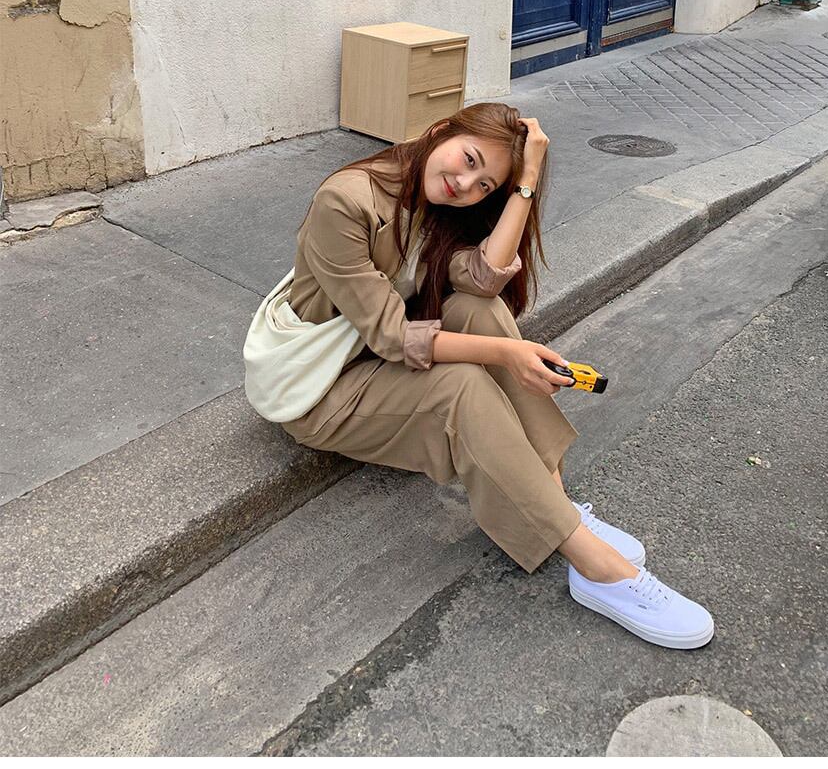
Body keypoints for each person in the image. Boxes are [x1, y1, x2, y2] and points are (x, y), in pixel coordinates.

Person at [245, 102, 713, 649]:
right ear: (443, 130)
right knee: (461, 386)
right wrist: (508, 354)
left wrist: (526, 181)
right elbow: (392, 335)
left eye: (483, 184)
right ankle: (597, 568)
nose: (464, 184)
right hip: (320, 386)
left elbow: (485, 279)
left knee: (479, 310)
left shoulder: (430, 194)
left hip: (370, 359)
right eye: (467, 159)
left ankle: (553, 502)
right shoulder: (346, 200)